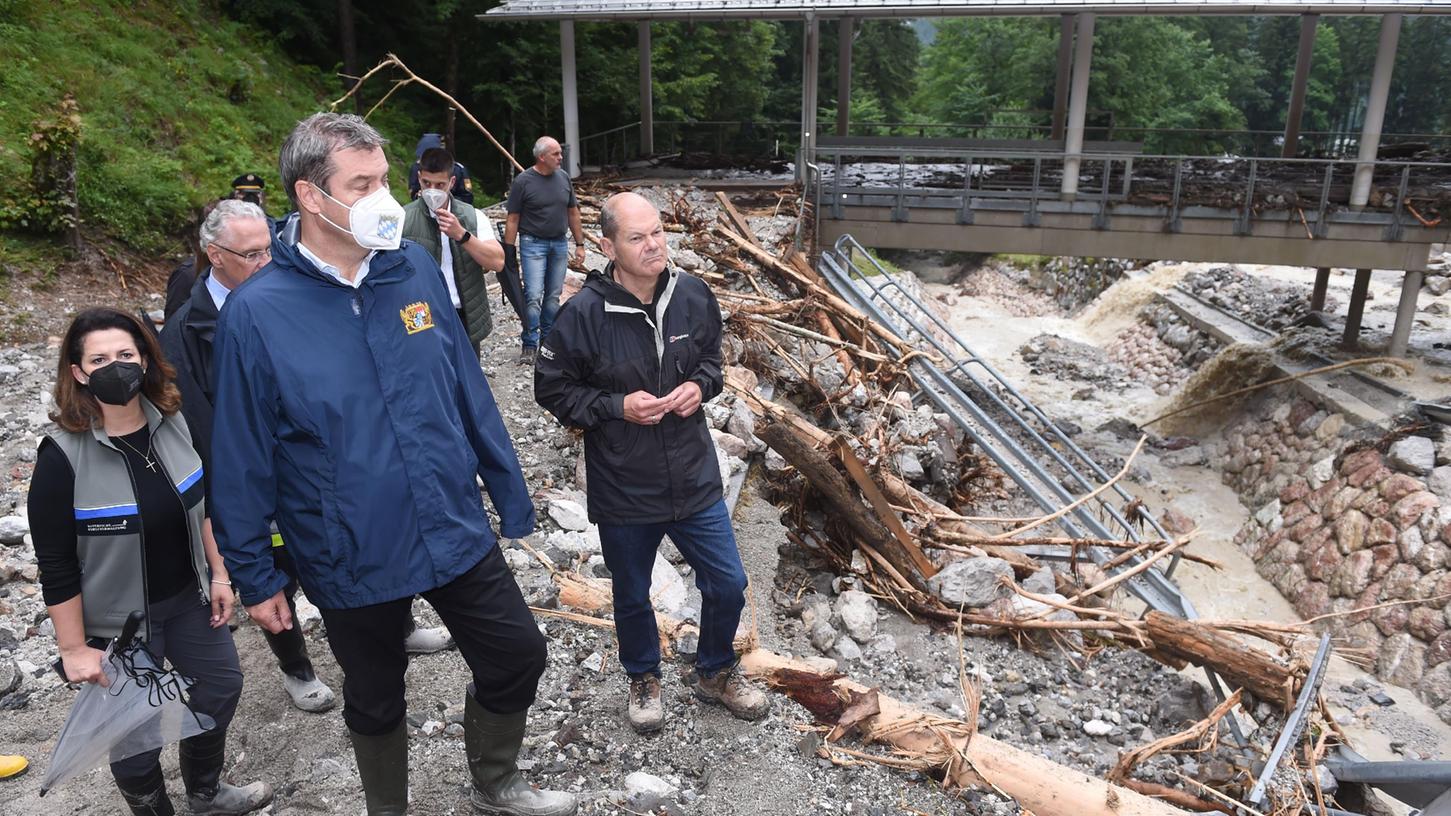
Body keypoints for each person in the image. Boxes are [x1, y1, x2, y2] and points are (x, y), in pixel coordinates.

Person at [209, 112, 574, 816]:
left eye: (385, 179)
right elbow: (241, 455)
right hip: (347, 545)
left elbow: (466, 385)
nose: (386, 196)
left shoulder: (409, 269)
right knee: (375, 696)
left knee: (517, 655)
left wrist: (508, 491)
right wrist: (255, 575)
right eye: (364, 183)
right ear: (311, 196)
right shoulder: (257, 313)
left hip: (448, 520)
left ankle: (495, 783)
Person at [534, 192, 767, 735]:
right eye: (637, 238)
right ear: (608, 245)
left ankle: (714, 669)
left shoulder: (692, 295)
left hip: (692, 473)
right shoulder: (583, 314)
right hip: (624, 481)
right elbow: (552, 389)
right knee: (632, 592)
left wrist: (698, 387)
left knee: (728, 583)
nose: (653, 245)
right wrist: (616, 407)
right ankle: (643, 675)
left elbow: (713, 363)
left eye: (658, 232)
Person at [29, 307, 273, 815]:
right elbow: (55, 565)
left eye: (125, 354)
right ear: (78, 372)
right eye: (99, 359)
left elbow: (202, 507)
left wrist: (221, 574)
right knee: (134, 732)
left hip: (188, 601)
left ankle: (205, 793)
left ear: (144, 359)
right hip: (116, 628)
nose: (114, 366)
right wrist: (74, 649)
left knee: (220, 687)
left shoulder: (176, 424)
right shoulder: (62, 457)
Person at [159, 200, 340, 713]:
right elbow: (197, 421)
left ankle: (395, 628)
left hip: (311, 463)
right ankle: (296, 668)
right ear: (215, 255)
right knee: (272, 575)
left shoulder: (290, 298)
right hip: (248, 475)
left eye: (271, 250)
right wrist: (228, 498)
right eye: (252, 255)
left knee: (344, 548)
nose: (267, 264)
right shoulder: (185, 332)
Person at [402, 146, 504, 359]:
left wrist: (462, 235)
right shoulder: (403, 218)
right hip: (422, 317)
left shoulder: (473, 217)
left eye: (440, 185)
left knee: (469, 382)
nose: (432, 190)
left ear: (452, 183)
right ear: (419, 178)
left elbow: (497, 262)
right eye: (426, 183)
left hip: (463, 313)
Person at [504, 136, 585, 364]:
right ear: (541, 157)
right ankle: (529, 343)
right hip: (532, 244)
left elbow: (573, 213)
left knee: (552, 297)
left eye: (560, 153)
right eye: (556, 154)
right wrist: (508, 252)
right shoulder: (523, 182)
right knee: (532, 296)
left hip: (559, 243)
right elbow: (513, 218)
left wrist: (579, 244)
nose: (561, 157)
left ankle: (547, 343)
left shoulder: (563, 178)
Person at [407, 133, 473, 204]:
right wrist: (419, 196)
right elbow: (413, 191)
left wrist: (446, 200)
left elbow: (467, 197)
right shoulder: (416, 167)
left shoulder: (458, 170)